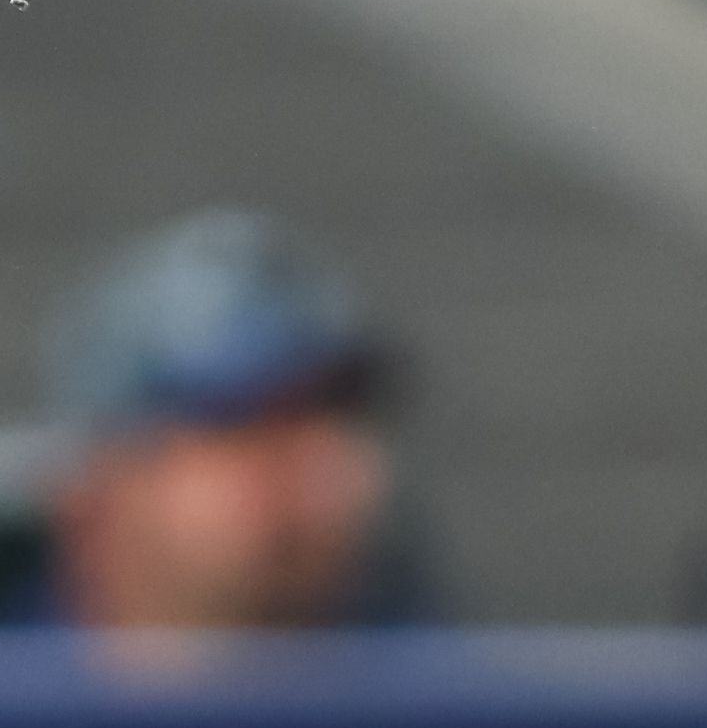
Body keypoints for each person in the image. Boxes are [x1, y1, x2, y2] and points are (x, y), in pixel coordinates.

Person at [33, 210, 420, 640]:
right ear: (94, 496)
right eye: (239, 418)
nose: (312, 461)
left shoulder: (450, 685)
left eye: (337, 412)